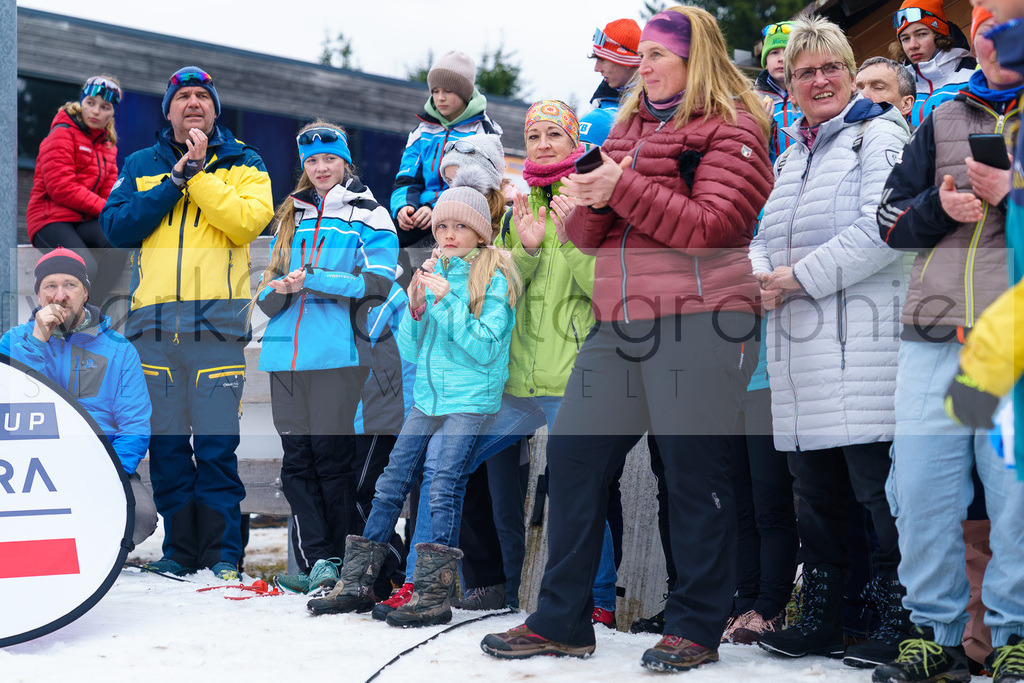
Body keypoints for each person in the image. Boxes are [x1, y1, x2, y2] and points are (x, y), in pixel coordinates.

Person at [482, 6, 773, 671]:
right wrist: (588, 198)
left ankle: (697, 625)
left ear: (694, 58)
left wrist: (623, 185)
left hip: (702, 317)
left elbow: (716, 225)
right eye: (641, 55)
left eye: (658, 55)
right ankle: (562, 617)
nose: (643, 66)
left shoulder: (735, 125)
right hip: (619, 323)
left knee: (694, 475)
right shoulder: (629, 125)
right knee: (575, 460)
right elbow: (589, 235)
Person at [748, 14, 913, 668]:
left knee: (878, 495)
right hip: (798, 354)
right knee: (814, 496)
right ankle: (819, 618)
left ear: (849, 72)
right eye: (803, 71)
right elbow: (763, 232)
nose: (817, 80)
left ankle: (902, 622)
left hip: (862, 353)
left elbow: (885, 227)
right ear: (788, 84)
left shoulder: (881, 134)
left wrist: (799, 277)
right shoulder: (791, 155)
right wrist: (762, 275)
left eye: (829, 68)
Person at [873, 6, 1024, 680]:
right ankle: (933, 633)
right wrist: (943, 208)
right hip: (933, 328)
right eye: (986, 25)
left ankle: (1015, 632)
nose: (996, 39)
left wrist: (1014, 190)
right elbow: (887, 218)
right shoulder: (940, 115)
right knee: (922, 487)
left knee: (1014, 491)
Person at [307, 184, 520, 629]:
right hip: (427, 398)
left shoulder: (495, 276)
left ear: (480, 232)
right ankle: (356, 582)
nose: (448, 234)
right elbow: (409, 348)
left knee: (443, 485)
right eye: (441, 225)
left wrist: (444, 302)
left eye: (460, 225)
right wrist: (416, 308)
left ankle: (431, 593)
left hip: (469, 400)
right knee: (391, 482)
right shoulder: (431, 270)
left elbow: (484, 347)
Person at [100, 66, 275, 580]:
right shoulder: (141, 163)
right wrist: (172, 180)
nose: (193, 102)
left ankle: (223, 555)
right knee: (169, 446)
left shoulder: (245, 161)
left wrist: (197, 176)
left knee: (219, 445)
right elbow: (117, 226)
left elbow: (247, 222)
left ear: (215, 109)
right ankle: (179, 551)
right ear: (168, 110)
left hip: (217, 324)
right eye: (183, 96)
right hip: (151, 327)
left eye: (203, 95)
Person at [254, 121, 398, 594]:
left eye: (329, 159)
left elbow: (378, 283)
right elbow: (269, 287)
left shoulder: (370, 213)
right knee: (296, 464)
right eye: (312, 162)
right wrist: (278, 291)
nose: (320, 168)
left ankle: (345, 559)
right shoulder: (291, 215)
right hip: (284, 356)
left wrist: (314, 279)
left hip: (338, 354)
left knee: (333, 462)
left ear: (345, 162)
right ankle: (318, 562)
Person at [0, 249, 155, 548]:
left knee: (141, 516)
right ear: (38, 294)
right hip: (30, 467)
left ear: (85, 292)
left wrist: (108, 473)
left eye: (70, 285)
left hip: (100, 462)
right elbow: (18, 404)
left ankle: (92, 554)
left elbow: (134, 425)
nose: (60, 295)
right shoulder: (13, 342)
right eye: (50, 286)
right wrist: (37, 344)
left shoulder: (119, 349)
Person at [26, 75, 126, 308]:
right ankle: (59, 323)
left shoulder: (108, 146)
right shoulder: (62, 132)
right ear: (82, 102)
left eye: (105, 107)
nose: (95, 111)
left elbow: (109, 191)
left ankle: (90, 312)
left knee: (118, 246)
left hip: (82, 219)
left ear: (112, 113)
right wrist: (105, 209)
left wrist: (117, 213)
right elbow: (61, 187)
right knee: (84, 265)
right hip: (48, 217)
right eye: (90, 102)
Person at [390, 50, 502, 249]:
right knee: (387, 237)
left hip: (461, 214)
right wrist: (404, 207)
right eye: (435, 91)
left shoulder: (483, 130)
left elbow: (483, 187)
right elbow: (407, 177)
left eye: (448, 91)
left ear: (464, 93)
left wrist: (437, 208)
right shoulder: (422, 130)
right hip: (420, 212)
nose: (440, 98)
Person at [890, 0, 976, 127]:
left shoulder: (973, 75)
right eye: (906, 39)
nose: (913, 45)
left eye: (921, 34)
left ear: (940, 36)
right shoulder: (900, 90)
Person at [579, 18, 641, 146]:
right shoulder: (601, 98)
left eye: (602, 60)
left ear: (628, 61)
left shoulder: (656, 99)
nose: (597, 69)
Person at [756, 21, 800, 161]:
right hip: (772, 180)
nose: (781, 59)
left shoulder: (809, 94)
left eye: (787, 52)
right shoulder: (753, 100)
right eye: (774, 52)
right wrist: (761, 126)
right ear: (765, 62)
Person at [855, 57, 917, 122]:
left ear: (905, 104)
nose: (862, 95)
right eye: (858, 90)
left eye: (878, 88)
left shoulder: (924, 132)